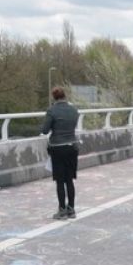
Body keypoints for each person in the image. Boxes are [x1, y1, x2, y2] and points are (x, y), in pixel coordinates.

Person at [42, 86, 81, 218]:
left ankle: (62, 210)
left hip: (57, 148)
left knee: (60, 181)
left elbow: (45, 130)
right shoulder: (74, 110)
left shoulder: (52, 111)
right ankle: (71, 209)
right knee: (69, 180)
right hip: (72, 147)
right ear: (65, 96)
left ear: (54, 97)